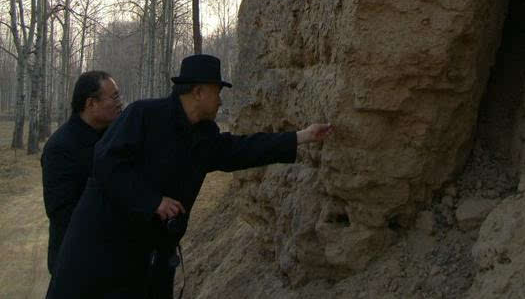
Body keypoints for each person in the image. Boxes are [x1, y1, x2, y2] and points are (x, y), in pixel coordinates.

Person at [48, 54, 332, 299]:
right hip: (102, 253)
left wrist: (300, 137)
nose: (220, 101)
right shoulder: (144, 115)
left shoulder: (203, 135)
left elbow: (242, 150)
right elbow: (106, 165)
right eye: (216, 92)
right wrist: (152, 201)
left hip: (153, 258)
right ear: (198, 92)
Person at [41, 70, 123, 275]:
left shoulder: (115, 137)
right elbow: (62, 213)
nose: (120, 102)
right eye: (114, 97)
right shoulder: (60, 147)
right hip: (76, 263)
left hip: (112, 260)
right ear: (91, 104)